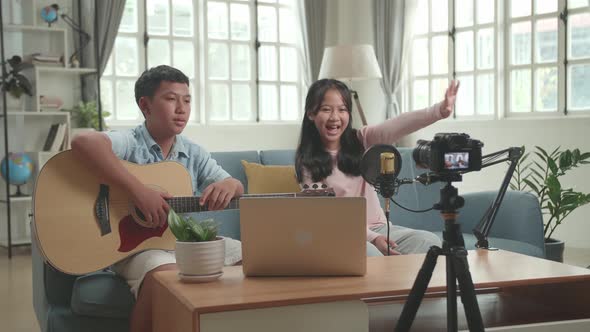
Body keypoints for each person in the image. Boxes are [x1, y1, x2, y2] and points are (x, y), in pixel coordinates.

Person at [71, 65, 244, 332]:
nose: (182, 108)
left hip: (179, 243)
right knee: (166, 273)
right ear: (145, 105)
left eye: (187, 100)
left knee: (251, 256)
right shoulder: (130, 141)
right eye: (171, 98)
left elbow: (233, 184)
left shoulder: (193, 152)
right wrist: (138, 191)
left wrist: (231, 185)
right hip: (133, 247)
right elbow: (83, 142)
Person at [295, 78, 459, 256]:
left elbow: (398, 124)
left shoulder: (362, 140)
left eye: (342, 109)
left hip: (381, 228)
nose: (335, 117)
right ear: (311, 113)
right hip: (343, 234)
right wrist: (372, 238)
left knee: (430, 242)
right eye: (326, 109)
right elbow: (326, 217)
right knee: (370, 253)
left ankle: (400, 279)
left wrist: (439, 110)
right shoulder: (308, 164)